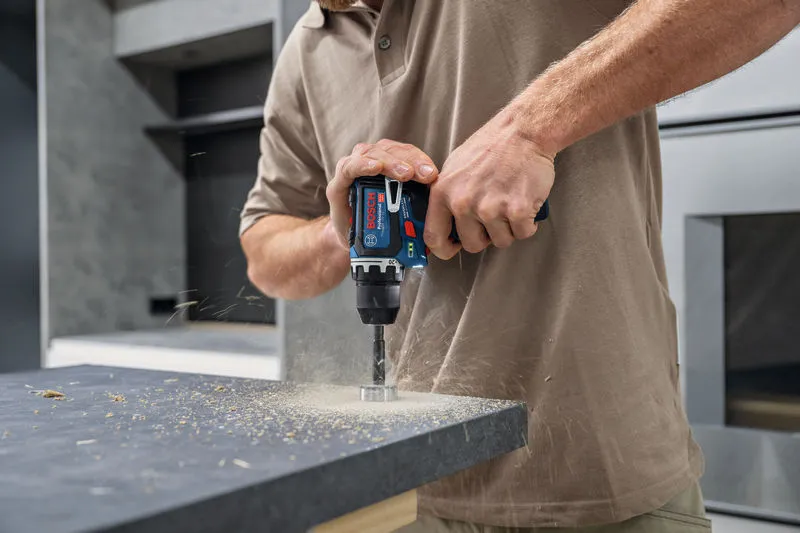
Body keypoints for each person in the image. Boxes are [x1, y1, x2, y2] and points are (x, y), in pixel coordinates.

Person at [240, 1, 800, 531]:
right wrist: (352, 230)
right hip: (412, 490)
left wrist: (530, 130)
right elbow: (265, 254)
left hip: (605, 480)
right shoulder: (308, 47)